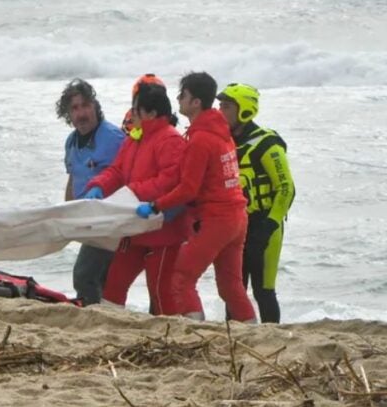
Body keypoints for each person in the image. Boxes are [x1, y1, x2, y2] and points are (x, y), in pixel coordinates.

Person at [136, 72, 257, 323]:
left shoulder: (200, 139)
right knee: (230, 286)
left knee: (182, 278)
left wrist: (155, 205)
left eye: (183, 95)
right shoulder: (221, 132)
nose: (178, 99)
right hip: (237, 217)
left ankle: (197, 332)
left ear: (196, 102)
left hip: (217, 219)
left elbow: (188, 189)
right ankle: (254, 333)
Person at [82, 80, 190, 315]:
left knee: (160, 291)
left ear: (151, 112)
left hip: (162, 230)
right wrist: (98, 185)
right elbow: (117, 170)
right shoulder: (135, 138)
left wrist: (134, 192)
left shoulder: (170, 140)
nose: (132, 114)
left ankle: (169, 336)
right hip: (134, 228)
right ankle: (112, 325)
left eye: (136, 109)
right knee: (114, 285)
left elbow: (169, 181)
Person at [217, 83, 295, 323]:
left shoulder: (267, 144)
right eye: (220, 106)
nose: (220, 112)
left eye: (226, 107)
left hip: (265, 227)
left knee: (264, 291)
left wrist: (269, 226)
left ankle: (273, 337)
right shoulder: (223, 142)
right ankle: (234, 339)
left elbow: (286, 189)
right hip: (235, 227)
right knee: (233, 291)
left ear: (245, 111)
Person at [56, 79, 125, 306]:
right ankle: (103, 315)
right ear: (68, 114)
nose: (81, 113)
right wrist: (68, 213)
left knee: (84, 275)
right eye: (74, 108)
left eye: (85, 105)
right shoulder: (71, 142)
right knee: (102, 278)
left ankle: (90, 317)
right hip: (87, 220)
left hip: (111, 221)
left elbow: (131, 176)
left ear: (95, 106)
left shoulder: (114, 138)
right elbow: (73, 178)